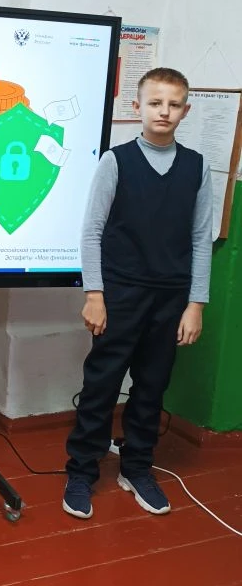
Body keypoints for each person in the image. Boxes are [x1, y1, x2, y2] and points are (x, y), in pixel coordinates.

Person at [63, 67, 212, 519]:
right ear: (137, 107)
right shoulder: (117, 161)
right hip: (121, 295)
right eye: (155, 103)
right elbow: (91, 231)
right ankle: (82, 471)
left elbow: (200, 238)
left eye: (173, 104)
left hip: (171, 298)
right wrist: (95, 294)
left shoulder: (197, 166)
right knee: (102, 384)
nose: (164, 111)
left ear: (185, 110)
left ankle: (137, 467)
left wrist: (195, 304)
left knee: (151, 386)